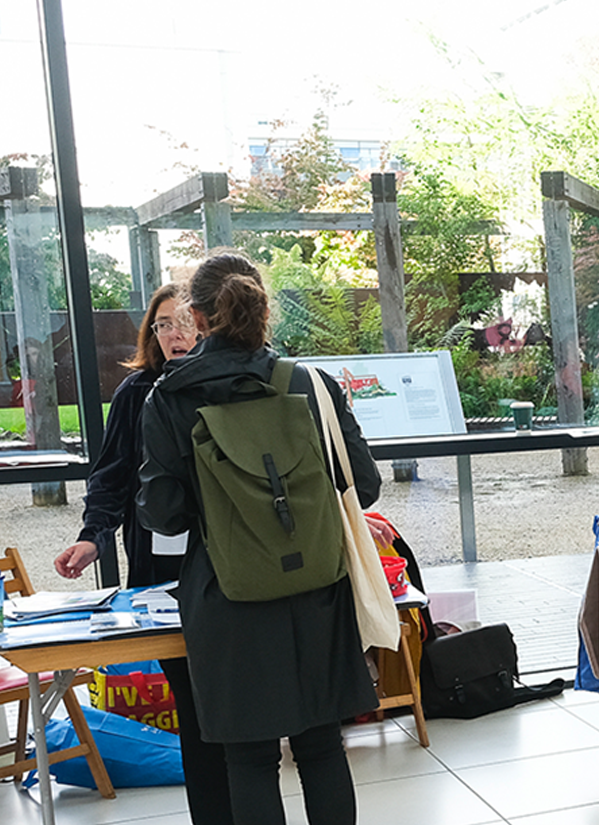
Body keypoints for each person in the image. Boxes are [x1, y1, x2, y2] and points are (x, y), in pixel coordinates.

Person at [138, 253, 380, 825]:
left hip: (228, 597)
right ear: (262, 307)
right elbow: (363, 486)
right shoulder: (309, 384)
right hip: (317, 587)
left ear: (195, 316)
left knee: (248, 760)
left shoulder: (169, 397)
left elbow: (164, 515)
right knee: (322, 747)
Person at [51, 283, 230, 823]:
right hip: (159, 570)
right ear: (151, 334)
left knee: (225, 698)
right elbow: (113, 474)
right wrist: (92, 535)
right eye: (163, 325)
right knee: (191, 703)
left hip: (227, 562)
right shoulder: (136, 393)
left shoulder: (225, 383)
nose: (176, 334)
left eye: (185, 322)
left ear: (206, 324)